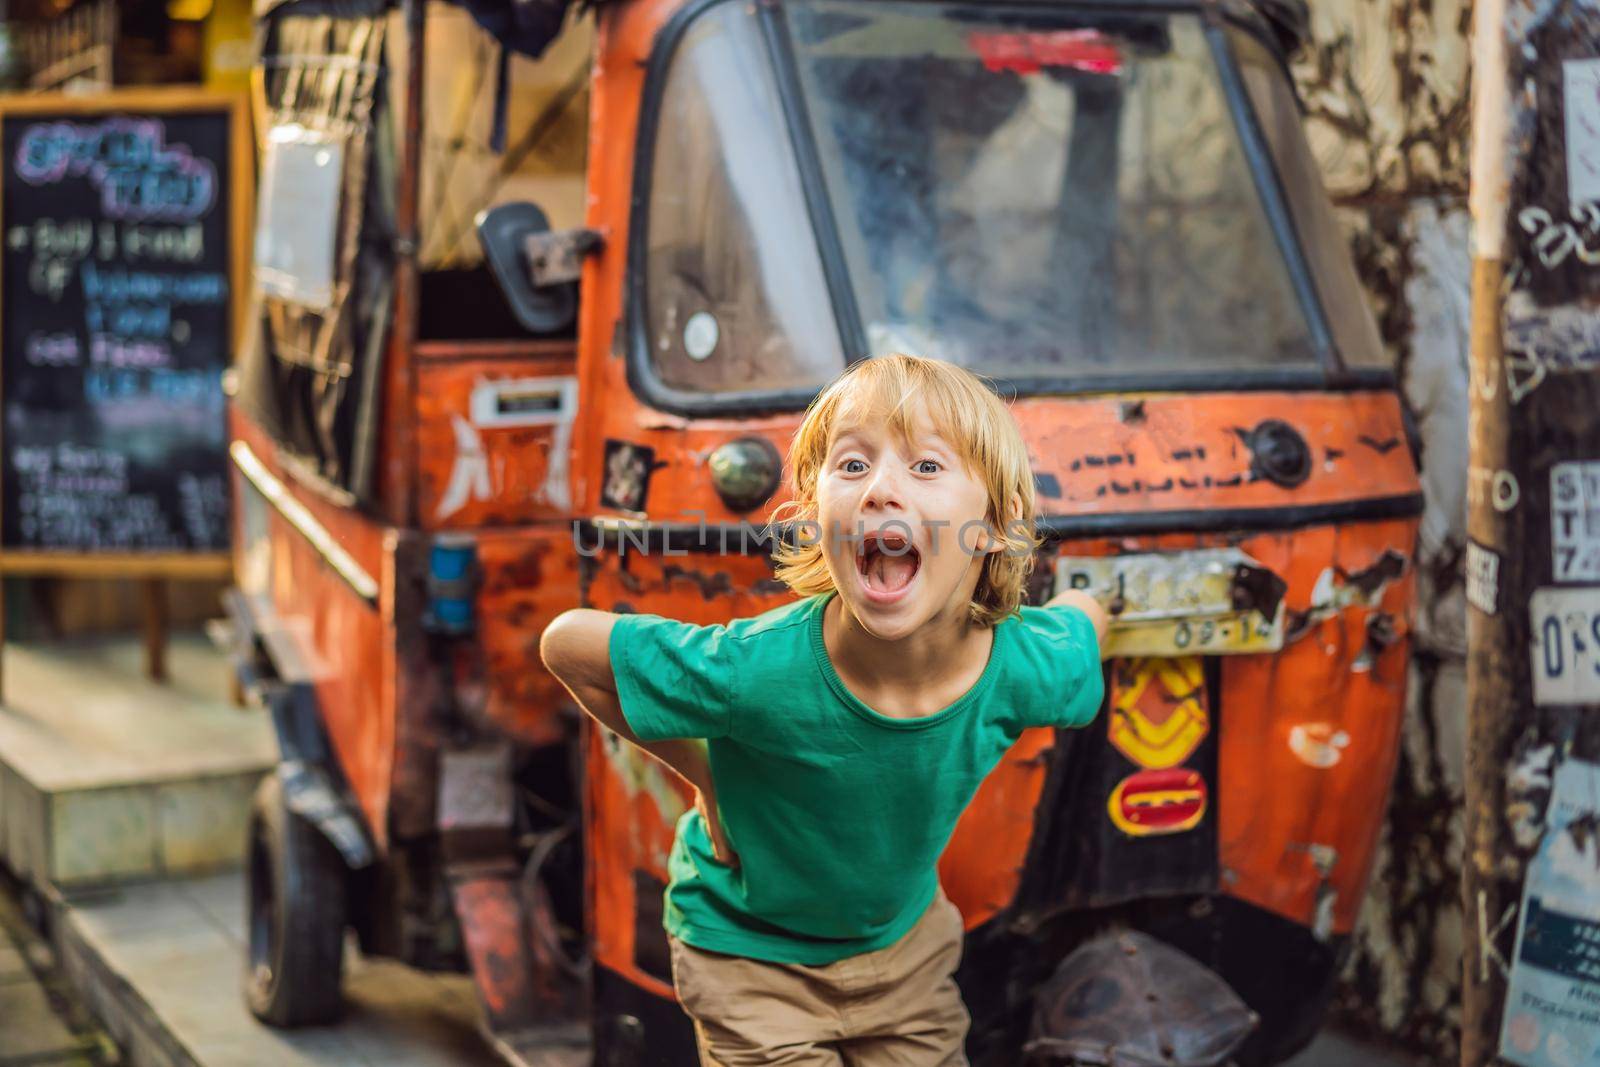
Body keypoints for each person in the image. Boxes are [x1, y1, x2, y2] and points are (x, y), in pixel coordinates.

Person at [541, 353, 1109, 1066]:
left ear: (999, 525)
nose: (879, 490)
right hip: (750, 959)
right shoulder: (755, 668)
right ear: (814, 520)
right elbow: (567, 643)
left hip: (904, 953)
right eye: (851, 465)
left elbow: (1084, 620)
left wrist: (1099, 605)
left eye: (927, 467)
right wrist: (705, 777)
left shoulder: (1029, 665)